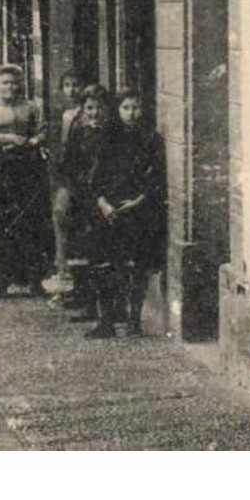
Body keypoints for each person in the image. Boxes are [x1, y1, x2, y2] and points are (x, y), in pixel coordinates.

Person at [89, 89, 165, 338]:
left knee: (137, 266)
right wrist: (103, 203)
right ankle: (107, 321)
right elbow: (96, 175)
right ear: (117, 110)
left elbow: (157, 178)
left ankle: (134, 320)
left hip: (138, 211)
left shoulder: (152, 139)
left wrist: (138, 201)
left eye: (136, 107)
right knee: (106, 265)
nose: (131, 113)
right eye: (126, 108)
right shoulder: (107, 137)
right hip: (109, 209)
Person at [0, 64, 48, 295]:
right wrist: (9, 138)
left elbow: (43, 130)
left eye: (14, 82)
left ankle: (34, 279)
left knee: (29, 219)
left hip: (26, 167)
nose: (10, 87)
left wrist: (34, 141)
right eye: (5, 82)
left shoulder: (31, 107)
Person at [61, 85, 114, 325]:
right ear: (82, 110)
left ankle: (107, 312)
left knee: (101, 253)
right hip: (82, 197)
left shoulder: (112, 134)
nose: (94, 113)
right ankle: (88, 304)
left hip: (103, 199)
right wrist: (71, 189)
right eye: (89, 108)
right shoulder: (79, 130)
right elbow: (69, 162)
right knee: (83, 251)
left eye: (99, 108)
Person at [47, 71, 86, 293]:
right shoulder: (62, 114)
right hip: (63, 174)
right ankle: (62, 269)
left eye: (76, 85)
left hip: (77, 175)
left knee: (70, 218)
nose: (71, 90)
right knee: (59, 216)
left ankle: (73, 275)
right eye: (67, 85)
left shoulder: (87, 112)